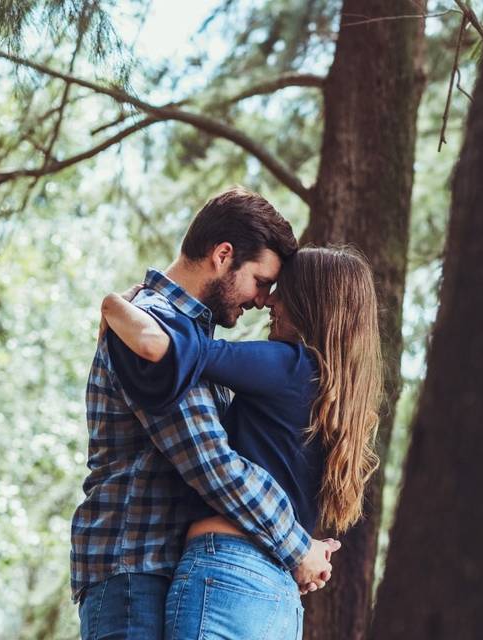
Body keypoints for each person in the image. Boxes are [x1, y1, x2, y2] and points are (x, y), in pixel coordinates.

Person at [70, 187, 338, 640]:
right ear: (223, 255)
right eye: (260, 280)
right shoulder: (152, 327)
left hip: (155, 572)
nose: (261, 300)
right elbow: (211, 462)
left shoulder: (183, 338)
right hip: (135, 573)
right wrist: (298, 545)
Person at [100, 245, 383, 640]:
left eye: (280, 290)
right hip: (281, 598)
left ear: (308, 303)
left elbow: (176, 350)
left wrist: (114, 306)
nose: (268, 301)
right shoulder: (337, 397)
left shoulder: (288, 364)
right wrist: (303, 547)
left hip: (227, 573)